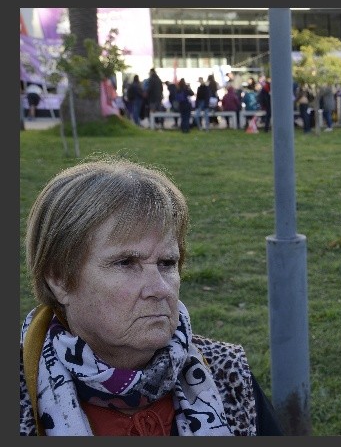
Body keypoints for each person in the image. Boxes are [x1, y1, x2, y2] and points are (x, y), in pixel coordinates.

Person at [19, 156, 284, 436]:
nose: (160, 289)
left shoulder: (228, 377)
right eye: (126, 263)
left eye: (167, 263)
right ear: (59, 278)